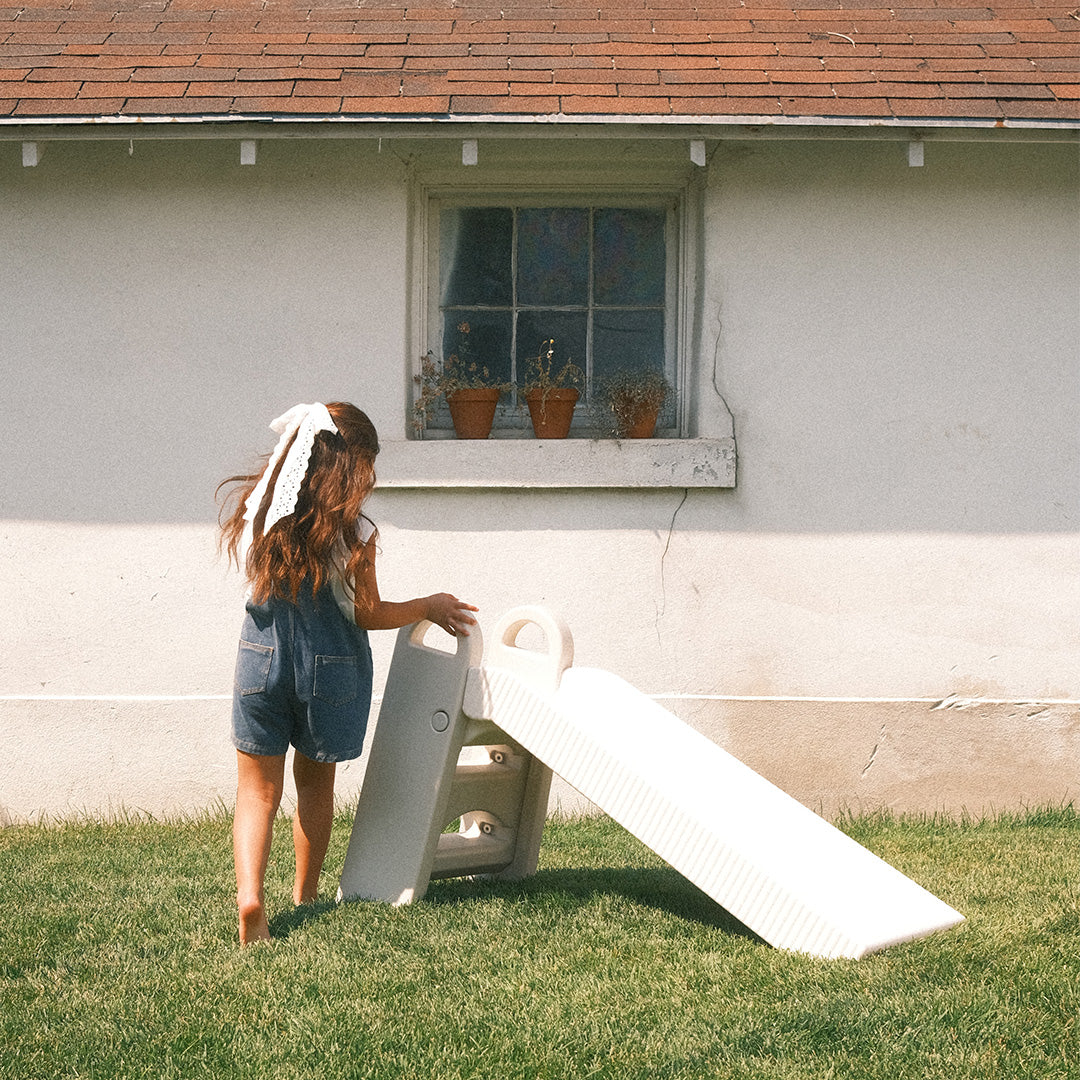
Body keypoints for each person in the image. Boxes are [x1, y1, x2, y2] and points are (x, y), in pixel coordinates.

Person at [217, 402, 477, 945]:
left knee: (256, 791)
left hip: (260, 660)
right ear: (352, 466)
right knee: (315, 787)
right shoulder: (354, 533)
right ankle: (305, 895)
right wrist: (427, 605)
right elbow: (367, 613)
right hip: (329, 669)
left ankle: (250, 896)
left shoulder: (260, 512)